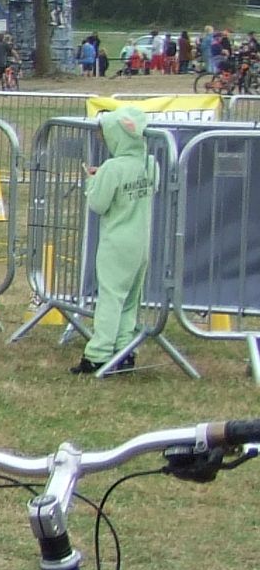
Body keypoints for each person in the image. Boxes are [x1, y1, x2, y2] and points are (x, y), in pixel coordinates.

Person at [78, 107, 158, 377]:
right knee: (130, 299)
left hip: (116, 242)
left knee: (110, 298)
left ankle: (98, 354)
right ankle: (125, 350)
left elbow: (99, 204)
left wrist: (93, 181)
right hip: (141, 241)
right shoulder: (149, 164)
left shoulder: (113, 168)